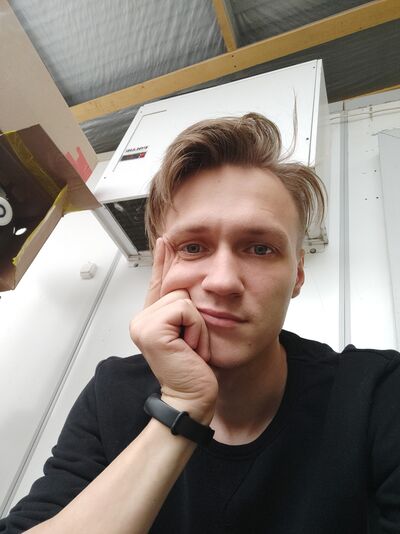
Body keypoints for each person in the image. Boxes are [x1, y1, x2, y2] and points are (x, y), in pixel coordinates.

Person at [1, 113, 400, 534]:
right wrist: (180, 406)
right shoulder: (110, 393)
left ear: (297, 274)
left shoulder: (378, 394)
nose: (223, 281)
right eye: (193, 247)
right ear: (160, 266)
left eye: (260, 248)